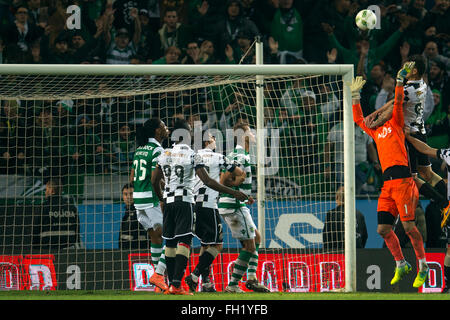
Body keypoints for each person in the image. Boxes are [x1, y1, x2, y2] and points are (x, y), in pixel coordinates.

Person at [350, 63, 429, 288]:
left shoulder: (395, 122)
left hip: (404, 181)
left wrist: (400, 81)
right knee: (383, 229)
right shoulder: (374, 131)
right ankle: (401, 263)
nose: (378, 115)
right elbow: (358, 120)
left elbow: (397, 102)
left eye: (380, 113)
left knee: (408, 228)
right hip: (387, 186)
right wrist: (355, 95)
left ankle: (422, 265)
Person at [151, 118, 249, 295]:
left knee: (171, 242)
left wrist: (162, 198)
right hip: (189, 202)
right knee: (187, 241)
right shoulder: (194, 154)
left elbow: (154, 180)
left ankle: (168, 280)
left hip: (169, 201)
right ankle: (179, 283)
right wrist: (234, 191)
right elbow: (208, 181)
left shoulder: (165, 153)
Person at [367, 55, 449, 217]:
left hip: (408, 137)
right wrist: (376, 112)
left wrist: (373, 123)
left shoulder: (407, 90)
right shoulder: (422, 85)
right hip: (420, 133)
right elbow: (393, 102)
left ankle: (444, 204)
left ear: (415, 70)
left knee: (412, 179)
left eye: (407, 66)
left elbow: (391, 110)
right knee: (428, 173)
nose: (404, 68)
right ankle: (448, 200)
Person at [184, 133, 245, 293]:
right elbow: (238, 172)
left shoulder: (194, 156)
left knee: (206, 244)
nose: (215, 141)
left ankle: (206, 283)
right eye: (213, 138)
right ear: (207, 142)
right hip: (208, 205)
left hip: (192, 204)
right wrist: (235, 184)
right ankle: (195, 275)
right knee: (217, 245)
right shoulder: (218, 157)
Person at [218, 122, 270, 293]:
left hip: (236, 204)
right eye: (251, 131)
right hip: (234, 206)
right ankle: (233, 285)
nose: (254, 134)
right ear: (244, 136)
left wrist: (244, 194)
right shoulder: (240, 156)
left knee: (256, 238)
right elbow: (224, 180)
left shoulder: (240, 154)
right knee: (250, 246)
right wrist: (237, 188)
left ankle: (252, 279)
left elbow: (229, 181)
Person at [404, 135, 450, 293]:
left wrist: (408, 137)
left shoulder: (448, 154)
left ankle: (448, 286)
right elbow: (425, 149)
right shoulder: (447, 153)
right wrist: (409, 137)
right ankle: (448, 286)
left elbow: (426, 149)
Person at [130, 118, 170, 292]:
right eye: (163, 126)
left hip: (138, 199)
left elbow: (132, 177)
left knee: (155, 238)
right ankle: (159, 275)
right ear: (156, 131)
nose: (166, 128)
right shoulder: (157, 150)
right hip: (151, 198)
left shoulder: (139, 150)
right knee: (172, 236)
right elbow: (157, 178)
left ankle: (158, 284)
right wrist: (162, 197)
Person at [32, 178, 81, 251]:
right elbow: (77, 230)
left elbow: (36, 231)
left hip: (47, 248)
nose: (45, 192)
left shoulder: (42, 208)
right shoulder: (72, 208)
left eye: (46, 189)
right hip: (68, 249)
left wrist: (35, 248)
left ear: (52, 191)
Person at [322, 185, 368, 252]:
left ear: (337, 197)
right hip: (357, 253)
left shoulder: (331, 214)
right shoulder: (359, 214)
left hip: (337, 254)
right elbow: (364, 236)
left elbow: (326, 237)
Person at [119, 182, 149, 250]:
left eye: (131, 194)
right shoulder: (127, 213)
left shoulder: (141, 211)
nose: (128, 197)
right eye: (125, 194)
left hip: (139, 252)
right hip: (125, 252)